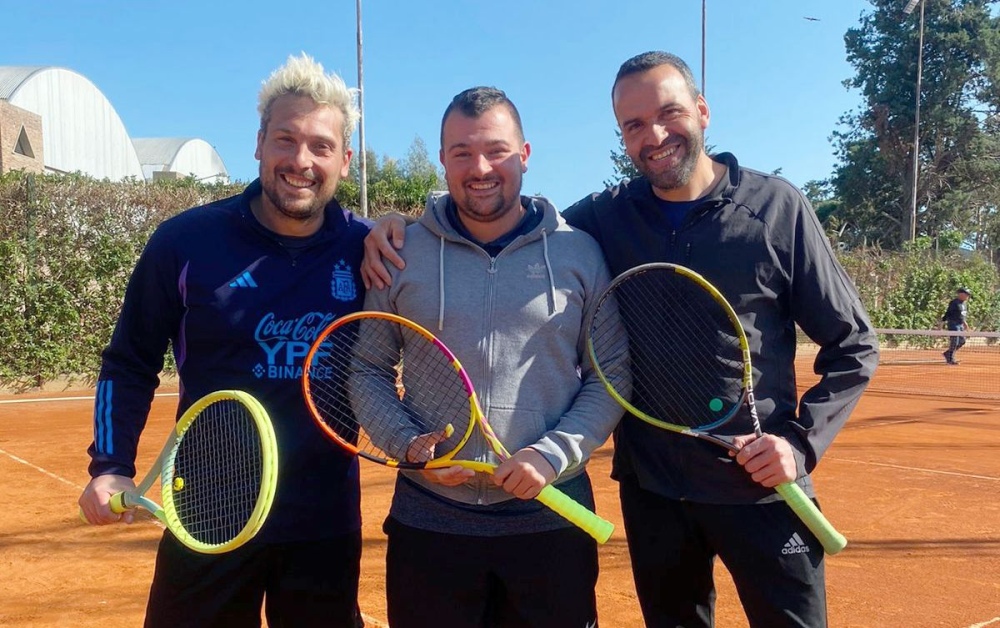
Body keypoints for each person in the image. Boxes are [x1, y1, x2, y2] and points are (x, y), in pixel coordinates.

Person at [361, 52, 880, 628]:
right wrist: (386, 225)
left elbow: (853, 344)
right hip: (654, 490)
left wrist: (799, 444)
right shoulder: (601, 221)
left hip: (762, 483)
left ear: (702, 112)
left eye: (669, 113)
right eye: (633, 125)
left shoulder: (775, 209)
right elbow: (505, 219)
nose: (654, 136)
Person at [78, 53, 369, 627]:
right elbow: (129, 360)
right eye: (285, 139)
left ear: (345, 160)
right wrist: (109, 464)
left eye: (321, 146)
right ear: (258, 143)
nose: (301, 161)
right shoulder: (186, 241)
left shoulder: (369, 249)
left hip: (324, 524)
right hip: (205, 514)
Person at [359, 86, 622, 628]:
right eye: (461, 152)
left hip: (552, 520)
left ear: (524, 154)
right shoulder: (399, 250)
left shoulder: (579, 252)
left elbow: (609, 373)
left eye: (497, 150)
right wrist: (408, 447)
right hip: (429, 523)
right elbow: (367, 366)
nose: (480, 167)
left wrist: (553, 454)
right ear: (443, 160)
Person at [940, 287, 972, 364]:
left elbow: (962, 316)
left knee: (962, 341)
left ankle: (948, 353)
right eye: (966, 294)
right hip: (953, 325)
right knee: (954, 342)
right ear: (960, 294)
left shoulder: (964, 304)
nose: (967, 296)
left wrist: (966, 326)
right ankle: (950, 359)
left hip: (960, 325)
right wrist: (941, 325)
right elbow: (947, 314)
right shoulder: (954, 303)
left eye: (968, 295)